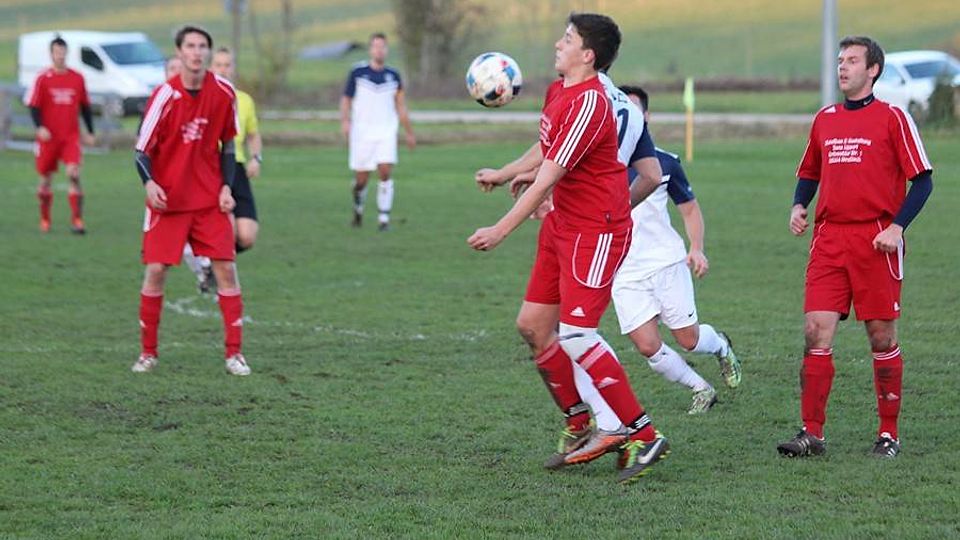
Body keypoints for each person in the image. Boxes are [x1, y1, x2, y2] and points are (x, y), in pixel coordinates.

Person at [469, 13, 669, 484]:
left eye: (567, 39)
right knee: (533, 326)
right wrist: (504, 172)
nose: (558, 44)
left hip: (595, 232)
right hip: (563, 225)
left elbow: (546, 180)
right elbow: (545, 149)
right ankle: (580, 421)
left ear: (588, 55)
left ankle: (643, 434)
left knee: (578, 334)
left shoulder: (592, 104)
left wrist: (500, 230)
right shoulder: (559, 90)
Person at [777, 36, 933, 458]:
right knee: (815, 331)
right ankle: (812, 433)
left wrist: (897, 227)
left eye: (852, 60)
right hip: (829, 238)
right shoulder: (825, 119)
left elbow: (923, 180)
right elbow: (809, 171)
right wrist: (798, 205)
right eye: (840, 60)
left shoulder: (893, 118)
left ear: (873, 70)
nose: (842, 67)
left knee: (881, 337)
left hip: (876, 239)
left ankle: (888, 434)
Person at [610, 85, 742, 415]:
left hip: (665, 263)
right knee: (647, 346)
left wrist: (696, 248)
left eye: (633, 110)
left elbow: (690, 209)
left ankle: (720, 345)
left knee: (689, 340)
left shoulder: (664, 163)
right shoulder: (600, 165)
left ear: (646, 117)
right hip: (623, 271)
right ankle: (701, 389)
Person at [131, 25, 251, 376]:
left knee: (226, 269)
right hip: (168, 201)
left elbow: (227, 146)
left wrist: (227, 187)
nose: (197, 52)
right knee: (156, 271)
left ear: (208, 53)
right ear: (179, 52)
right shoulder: (164, 95)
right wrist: (149, 183)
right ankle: (148, 353)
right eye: (190, 46)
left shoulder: (223, 92)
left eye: (202, 46)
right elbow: (141, 150)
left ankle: (234, 354)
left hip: (209, 200)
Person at [340, 32, 416, 231]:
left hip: (386, 132)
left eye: (382, 46)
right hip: (361, 133)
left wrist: (409, 132)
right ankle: (358, 208)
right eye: (376, 46)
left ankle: (384, 220)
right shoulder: (357, 73)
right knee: (361, 179)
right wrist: (345, 121)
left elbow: (401, 106)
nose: (379, 50)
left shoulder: (394, 76)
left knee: (385, 171)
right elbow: (346, 99)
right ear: (370, 49)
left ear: (386, 50)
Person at [25, 35, 96, 234]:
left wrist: (90, 131)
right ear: (51, 54)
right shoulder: (43, 78)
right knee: (45, 179)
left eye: (63, 52)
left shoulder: (77, 78)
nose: (60, 56)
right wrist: (40, 127)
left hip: (70, 137)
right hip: (49, 138)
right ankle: (45, 219)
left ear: (67, 53)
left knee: (73, 174)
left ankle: (77, 221)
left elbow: (85, 107)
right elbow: (33, 106)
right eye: (57, 52)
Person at [210, 46, 263, 253]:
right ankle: (214, 264)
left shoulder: (244, 100)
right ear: (211, 67)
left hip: (237, 166)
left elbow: (253, 134)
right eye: (218, 65)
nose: (223, 70)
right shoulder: (205, 97)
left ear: (233, 68)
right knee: (227, 231)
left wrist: (256, 158)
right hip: (212, 167)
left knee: (247, 236)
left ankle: (213, 259)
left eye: (227, 65)